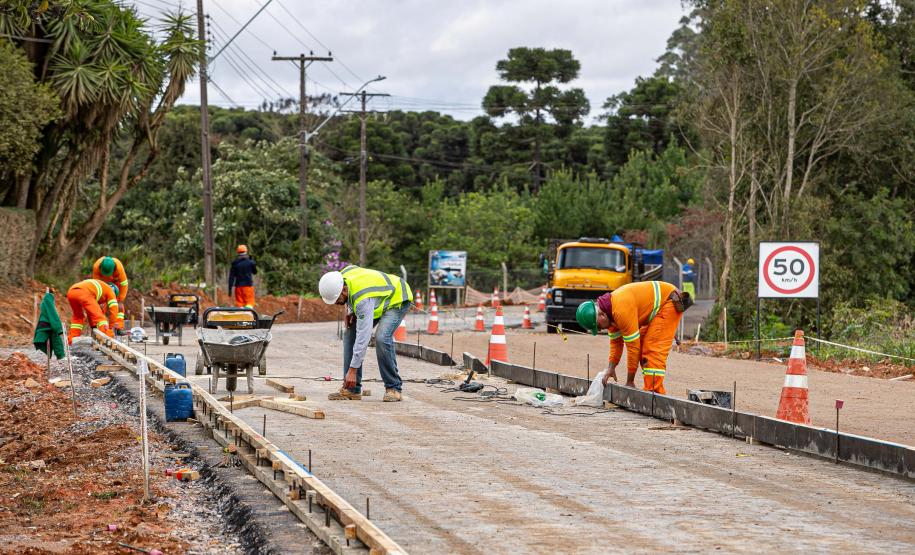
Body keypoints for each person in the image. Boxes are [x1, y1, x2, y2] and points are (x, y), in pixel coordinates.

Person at [576, 281, 691, 394]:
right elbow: (616, 343)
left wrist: (629, 381)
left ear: (602, 315)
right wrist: (611, 368)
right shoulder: (609, 314)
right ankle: (651, 390)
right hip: (660, 306)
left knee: (652, 348)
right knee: (642, 345)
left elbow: (633, 348)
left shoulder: (620, 310)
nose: (600, 329)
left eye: (598, 326)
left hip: (669, 302)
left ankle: (654, 395)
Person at [318, 265, 413, 402]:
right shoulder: (343, 275)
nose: (336, 304)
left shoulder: (362, 300)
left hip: (397, 297)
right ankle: (352, 389)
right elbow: (353, 279)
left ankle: (394, 388)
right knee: (350, 332)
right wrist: (350, 311)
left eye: (337, 300)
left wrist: (352, 370)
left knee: (381, 338)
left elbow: (364, 337)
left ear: (344, 290)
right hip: (376, 299)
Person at [66, 279, 119, 344]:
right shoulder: (111, 291)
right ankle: (108, 339)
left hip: (71, 292)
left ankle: (71, 340)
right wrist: (110, 328)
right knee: (101, 318)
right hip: (84, 292)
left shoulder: (100, 288)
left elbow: (91, 312)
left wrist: (93, 326)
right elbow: (114, 310)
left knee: (78, 317)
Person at [92, 255, 128, 330]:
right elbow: (96, 285)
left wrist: (121, 300)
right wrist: (99, 300)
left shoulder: (119, 267)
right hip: (102, 283)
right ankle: (100, 327)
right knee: (101, 306)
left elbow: (124, 284)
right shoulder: (96, 267)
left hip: (116, 283)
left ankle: (119, 327)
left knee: (119, 306)